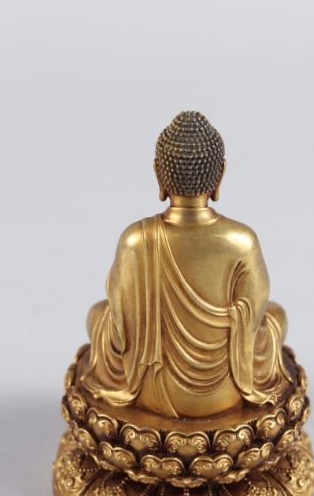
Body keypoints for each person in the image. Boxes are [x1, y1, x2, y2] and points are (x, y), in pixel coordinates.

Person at [81, 111, 291, 418]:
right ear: (220, 175)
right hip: (226, 393)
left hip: (149, 390)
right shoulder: (242, 240)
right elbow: (256, 314)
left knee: (97, 314)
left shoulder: (135, 239)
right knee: (276, 315)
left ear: (158, 174)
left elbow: (118, 312)